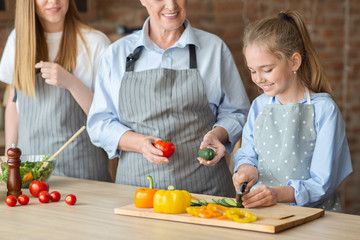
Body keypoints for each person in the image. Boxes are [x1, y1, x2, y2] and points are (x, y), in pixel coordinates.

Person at [87, 0, 250, 197]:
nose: (171, 6)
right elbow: (99, 124)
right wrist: (139, 143)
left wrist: (218, 134)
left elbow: (237, 112)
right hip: (137, 195)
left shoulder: (214, 49)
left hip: (206, 195)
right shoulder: (117, 54)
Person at [232, 10, 352, 211]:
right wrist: (246, 168)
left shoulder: (324, 110)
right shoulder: (259, 106)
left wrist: (277, 194)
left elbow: (322, 183)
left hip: (312, 217)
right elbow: (248, 153)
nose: (258, 79)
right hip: (263, 213)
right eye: (252, 71)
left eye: (267, 69)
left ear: (294, 61)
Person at [0, 0, 111, 182]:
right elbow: (14, 103)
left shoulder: (96, 43)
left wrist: (72, 84)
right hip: (31, 176)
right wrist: (10, 156)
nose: (53, 1)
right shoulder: (18, 39)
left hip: (83, 175)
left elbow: (107, 118)